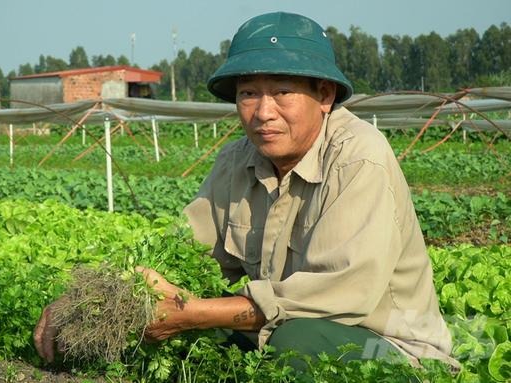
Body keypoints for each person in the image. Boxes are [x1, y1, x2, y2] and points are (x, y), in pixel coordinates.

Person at [34, 11, 460, 372]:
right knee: (198, 338)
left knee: (296, 341)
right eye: (249, 93)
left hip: (391, 352)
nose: (263, 112)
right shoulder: (237, 161)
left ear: (324, 94)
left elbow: (339, 297)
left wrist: (192, 313)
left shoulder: (358, 158)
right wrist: (90, 300)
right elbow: (181, 249)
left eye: (282, 92)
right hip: (274, 331)